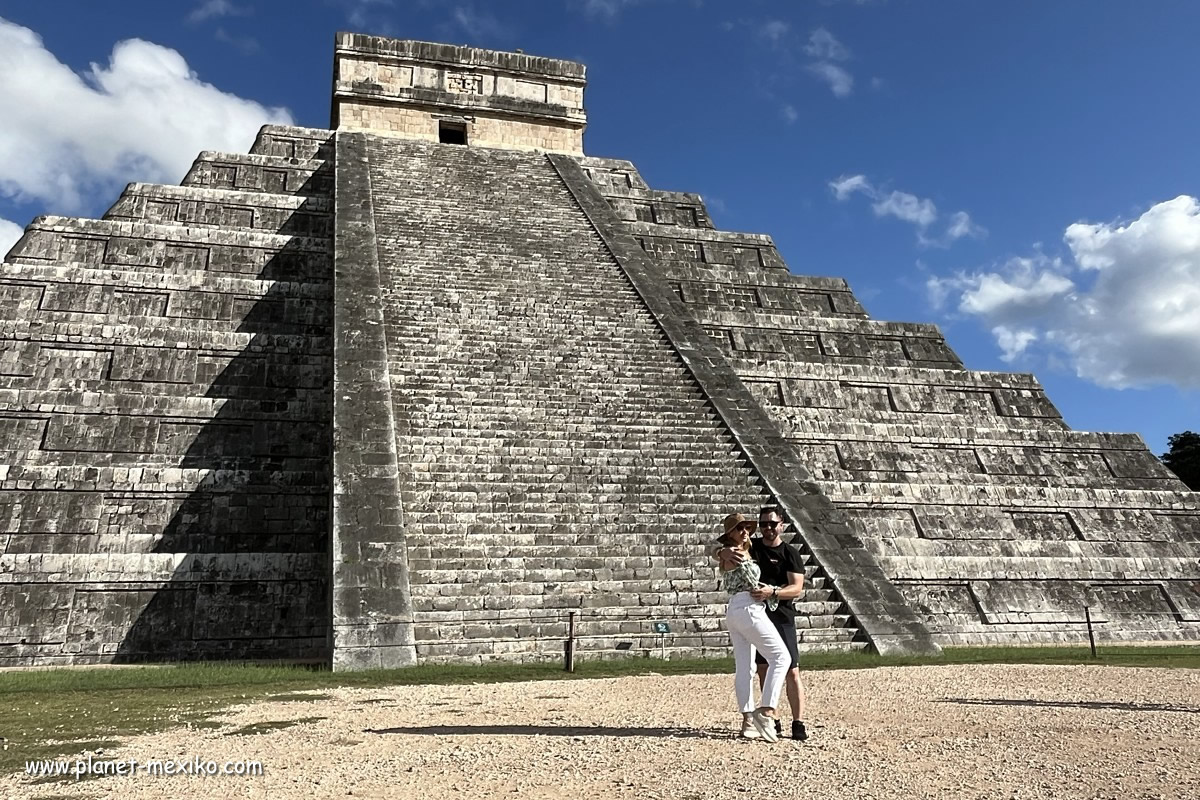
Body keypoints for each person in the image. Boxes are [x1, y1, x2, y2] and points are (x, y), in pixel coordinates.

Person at [715, 511, 790, 743]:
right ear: (730, 534)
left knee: (745, 667)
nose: (745, 532)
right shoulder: (735, 553)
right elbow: (748, 580)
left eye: (747, 528)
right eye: (739, 529)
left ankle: (747, 720)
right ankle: (767, 710)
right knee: (781, 657)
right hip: (748, 607)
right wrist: (769, 591)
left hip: (735, 609)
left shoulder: (739, 551)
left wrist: (719, 552)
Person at [749, 506, 809, 741]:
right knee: (764, 669)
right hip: (758, 616)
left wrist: (771, 592)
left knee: (792, 671)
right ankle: (772, 716)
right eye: (763, 524)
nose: (768, 528)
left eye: (772, 524)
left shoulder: (790, 553)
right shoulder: (752, 548)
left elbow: (796, 588)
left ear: (781, 524)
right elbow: (723, 548)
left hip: (782, 616)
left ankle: (798, 721)